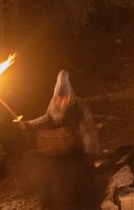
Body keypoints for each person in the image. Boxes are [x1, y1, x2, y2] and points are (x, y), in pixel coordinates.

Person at [20, 71, 100, 209]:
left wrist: (92, 151)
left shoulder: (78, 106)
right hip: (62, 153)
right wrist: (30, 124)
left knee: (86, 194)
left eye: (65, 98)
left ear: (70, 96)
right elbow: (47, 118)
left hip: (79, 152)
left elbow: (89, 128)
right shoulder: (53, 105)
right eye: (59, 98)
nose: (62, 102)